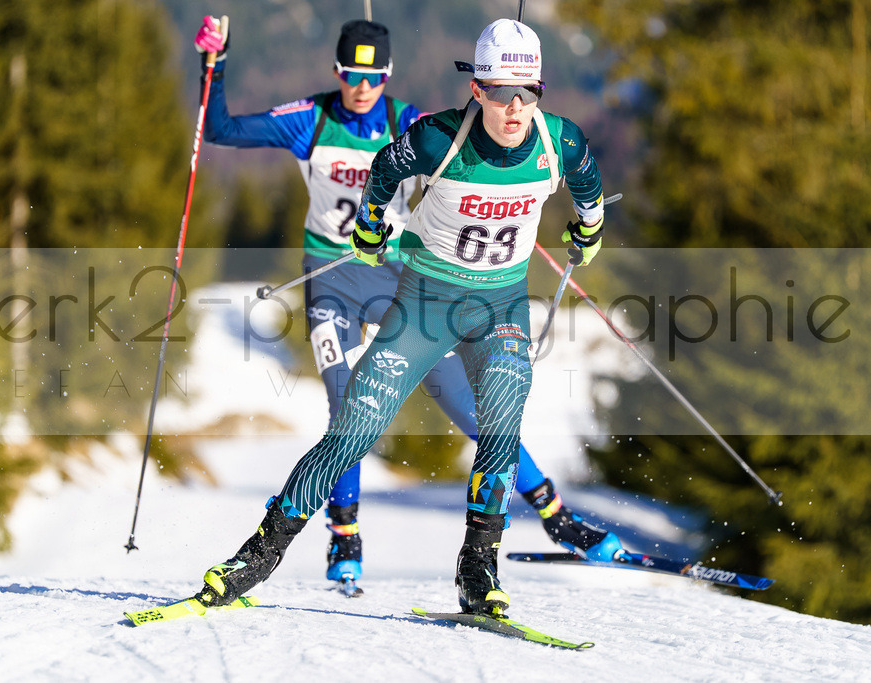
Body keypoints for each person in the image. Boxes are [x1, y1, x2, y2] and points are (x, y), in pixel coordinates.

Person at [192, 16, 623, 601]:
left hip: (481, 300)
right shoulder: (388, 130)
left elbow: (585, 177)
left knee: (493, 414)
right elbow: (384, 167)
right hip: (389, 293)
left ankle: (489, 563)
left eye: (527, 93)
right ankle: (282, 550)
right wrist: (369, 226)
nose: (515, 108)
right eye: (500, 92)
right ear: (478, 90)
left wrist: (589, 227)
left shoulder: (544, 138)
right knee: (351, 424)